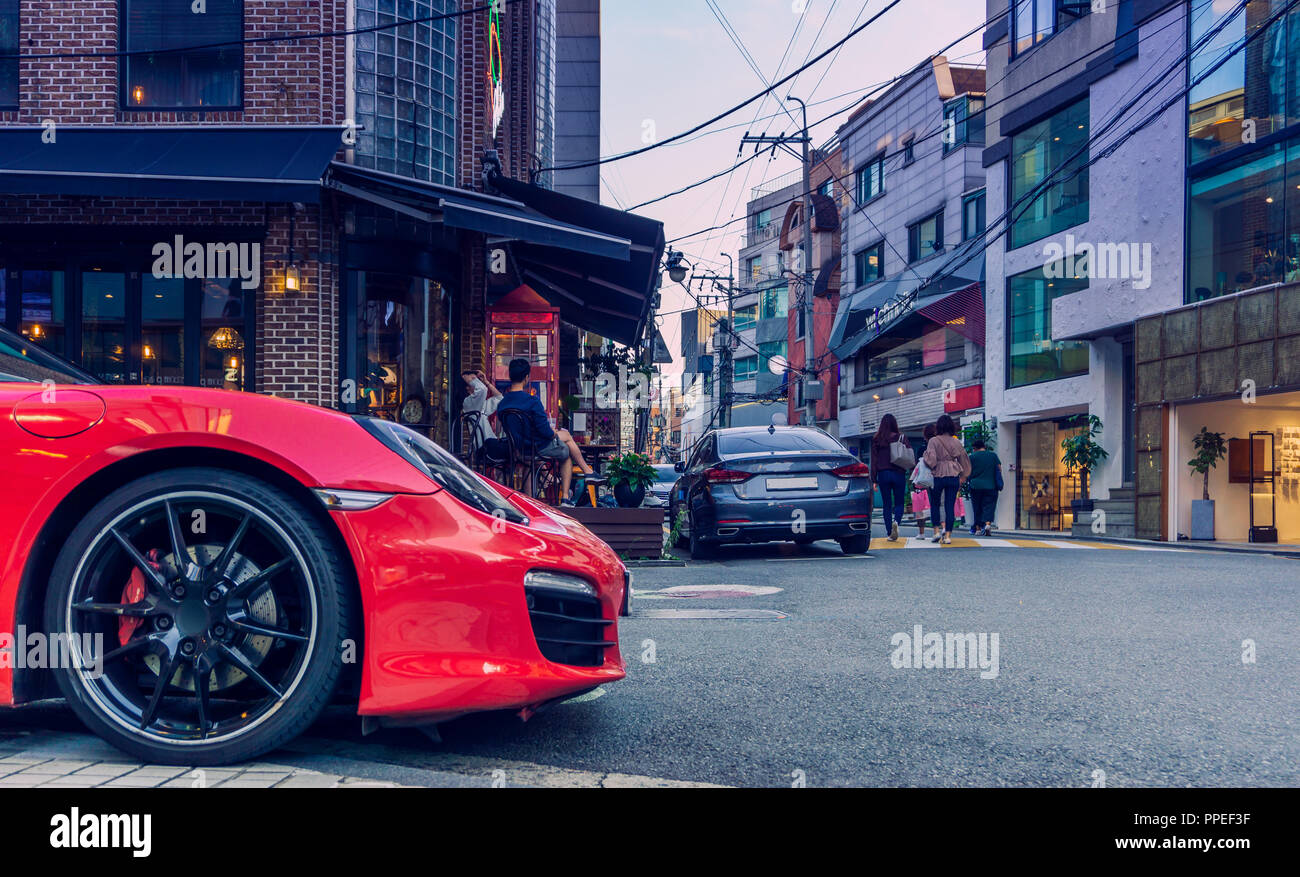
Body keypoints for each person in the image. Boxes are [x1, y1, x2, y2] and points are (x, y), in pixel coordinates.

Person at [495, 358, 596, 505]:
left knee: (529, 464)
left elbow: (501, 430)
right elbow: (546, 432)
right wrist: (554, 432)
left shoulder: (502, 404)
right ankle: (567, 497)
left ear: (510, 376)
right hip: (537, 447)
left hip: (518, 451)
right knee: (566, 452)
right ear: (526, 378)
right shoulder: (532, 401)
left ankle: (530, 502)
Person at [922, 414, 971, 545]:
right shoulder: (956, 441)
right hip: (953, 474)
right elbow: (964, 459)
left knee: (935, 504)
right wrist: (964, 476)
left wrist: (925, 456)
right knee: (950, 505)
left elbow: (931, 461)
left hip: (938, 474)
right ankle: (948, 535)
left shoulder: (933, 441)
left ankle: (936, 531)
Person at [870, 413, 909, 542]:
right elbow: (908, 454)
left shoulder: (877, 439)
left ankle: (889, 532)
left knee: (887, 504)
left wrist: (874, 479)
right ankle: (896, 522)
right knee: (899, 503)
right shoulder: (901, 437)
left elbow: (874, 460)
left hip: (883, 474)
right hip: (898, 472)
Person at [461, 369, 503, 457]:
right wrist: (469, 379)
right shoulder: (468, 403)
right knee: (516, 448)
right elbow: (482, 389)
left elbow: (499, 398)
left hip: (491, 444)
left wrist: (486, 382)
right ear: (467, 386)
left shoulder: (480, 405)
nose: (476, 381)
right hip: (484, 448)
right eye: (473, 379)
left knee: (517, 446)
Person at [967, 437, 1002, 537]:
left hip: (976, 485)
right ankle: (987, 525)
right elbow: (999, 468)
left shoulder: (972, 457)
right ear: (984, 447)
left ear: (975, 448)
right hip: (991, 485)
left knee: (977, 507)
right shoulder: (993, 456)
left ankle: (977, 529)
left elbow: (967, 471)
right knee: (989, 506)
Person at [913, 423, 937, 541]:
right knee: (936, 504)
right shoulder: (938, 447)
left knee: (920, 505)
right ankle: (936, 530)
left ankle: (921, 532)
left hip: (922, 480)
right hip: (936, 478)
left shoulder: (921, 449)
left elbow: (917, 465)